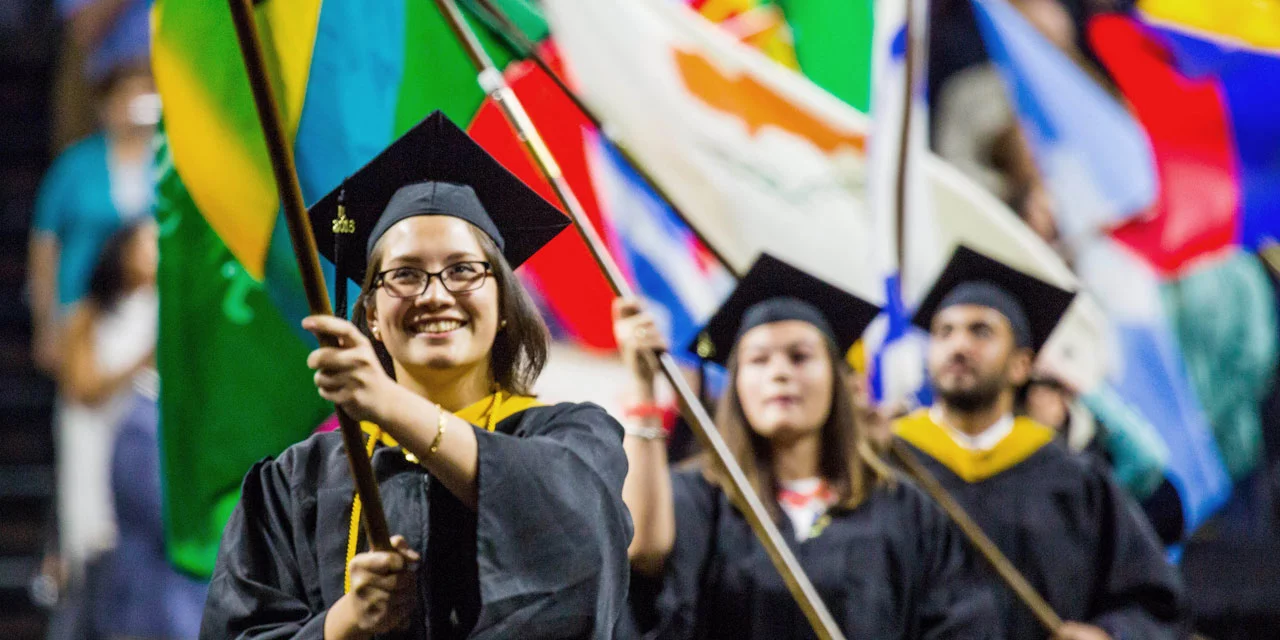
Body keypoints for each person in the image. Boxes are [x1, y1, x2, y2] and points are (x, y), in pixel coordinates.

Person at [199, 111, 632, 639]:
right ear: (374, 317)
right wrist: (344, 624)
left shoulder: (572, 440)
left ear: (502, 307)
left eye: (463, 270)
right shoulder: (296, 484)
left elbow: (580, 537)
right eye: (404, 274)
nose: (434, 294)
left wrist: (389, 403)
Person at [617, 254, 1000, 639]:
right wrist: (643, 386)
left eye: (800, 357)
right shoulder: (702, 497)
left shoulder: (905, 509)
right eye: (758, 360)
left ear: (838, 380)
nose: (780, 373)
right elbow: (644, 551)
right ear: (736, 385)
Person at [893, 245, 1187, 640]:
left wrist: (1108, 634)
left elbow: (1155, 604)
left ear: (1022, 365)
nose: (959, 345)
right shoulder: (889, 468)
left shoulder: (1073, 480)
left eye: (981, 331)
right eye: (945, 332)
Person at [46, 219, 159, 640]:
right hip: (96, 449)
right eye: (146, 244)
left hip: (148, 460)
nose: (156, 252)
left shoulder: (168, 311)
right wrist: (143, 358)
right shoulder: (86, 316)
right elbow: (84, 386)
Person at [28, 59, 156, 376]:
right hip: (82, 308)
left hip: (152, 313)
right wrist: (45, 322)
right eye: (124, 96)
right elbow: (45, 244)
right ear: (105, 105)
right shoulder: (74, 165)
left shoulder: (170, 164)